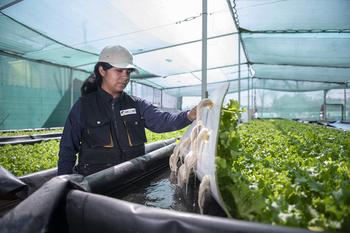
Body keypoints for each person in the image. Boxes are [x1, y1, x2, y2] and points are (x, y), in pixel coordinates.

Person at [57, 45, 197, 176]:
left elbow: (162, 121)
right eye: (119, 70)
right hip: (96, 185)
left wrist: (189, 115)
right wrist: (64, 186)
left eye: (128, 72)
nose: (125, 76)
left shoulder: (136, 104)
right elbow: (67, 149)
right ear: (102, 70)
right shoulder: (83, 107)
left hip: (132, 181)